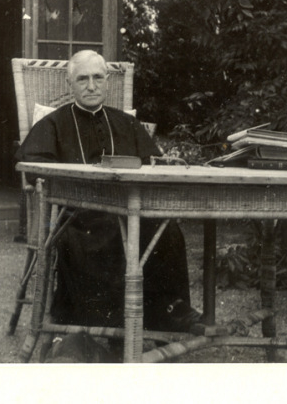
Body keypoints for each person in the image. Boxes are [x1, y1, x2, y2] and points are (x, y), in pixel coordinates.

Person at [15, 50, 200, 332]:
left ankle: (169, 311)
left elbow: (153, 163)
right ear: (69, 83)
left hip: (130, 210)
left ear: (107, 81)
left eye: (98, 78)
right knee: (95, 237)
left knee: (168, 230)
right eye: (83, 79)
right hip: (77, 217)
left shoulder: (127, 123)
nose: (91, 86)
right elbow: (32, 168)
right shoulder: (53, 124)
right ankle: (111, 324)